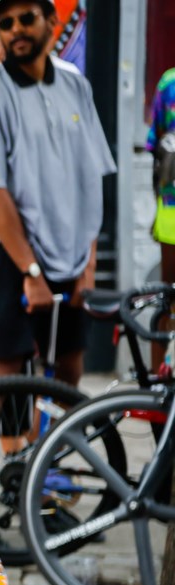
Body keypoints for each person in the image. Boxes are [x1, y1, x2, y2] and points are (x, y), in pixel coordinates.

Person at [0, 0, 116, 536]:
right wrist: (29, 269)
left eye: (27, 19)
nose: (17, 31)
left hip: (71, 255)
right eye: (7, 22)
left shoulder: (75, 83)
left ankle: (41, 484)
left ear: (51, 22)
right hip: (10, 254)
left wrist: (88, 263)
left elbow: (92, 174)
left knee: (68, 370)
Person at [147, 67, 175, 369]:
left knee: (167, 301)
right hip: (171, 211)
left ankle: (158, 386)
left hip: (171, 208)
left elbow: (155, 144)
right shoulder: (170, 82)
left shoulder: (169, 81)